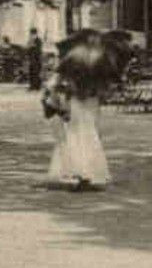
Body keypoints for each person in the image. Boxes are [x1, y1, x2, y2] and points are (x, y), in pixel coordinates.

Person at [45, 30, 113, 190]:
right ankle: (91, 171)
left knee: (75, 133)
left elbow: (60, 81)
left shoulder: (72, 60)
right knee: (90, 132)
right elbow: (104, 87)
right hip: (91, 101)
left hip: (77, 100)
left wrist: (63, 92)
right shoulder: (99, 61)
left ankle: (76, 170)